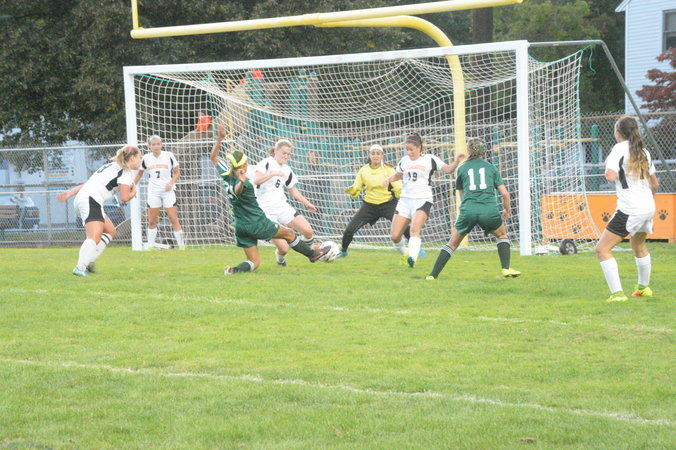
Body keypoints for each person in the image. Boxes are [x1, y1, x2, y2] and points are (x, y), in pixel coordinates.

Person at [210, 124, 329, 274]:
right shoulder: (246, 183)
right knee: (289, 234)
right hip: (257, 222)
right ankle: (313, 254)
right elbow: (238, 190)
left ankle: (233, 270)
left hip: (240, 226)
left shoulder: (226, 175)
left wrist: (220, 139)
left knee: (254, 262)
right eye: (246, 163)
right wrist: (241, 182)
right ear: (244, 165)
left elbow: (214, 157)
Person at [426, 138, 520, 280]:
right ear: (484, 151)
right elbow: (505, 193)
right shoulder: (491, 168)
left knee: (452, 243)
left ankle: (432, 275)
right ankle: (506, 269)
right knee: (502, 235)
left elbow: (461, 192)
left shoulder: (462, 168)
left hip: (468, 210)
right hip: (488, 210)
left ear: (468, 150)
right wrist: (506, 210)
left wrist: (466, 208)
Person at [595, 116, 659, 302]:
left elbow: (610, 176)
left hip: (630, 208)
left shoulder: (619, 149)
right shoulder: (644, 151)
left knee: (602, 249)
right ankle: (643, 288)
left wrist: (609, 167)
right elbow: (655, 184)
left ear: (618, 133)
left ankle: (617, 294)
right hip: (648, 206)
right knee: (638, 246)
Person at [382, 133, 465, 268]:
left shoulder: (430, 159)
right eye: (407, 149)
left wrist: (456, 161)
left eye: (411, 149)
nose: (408, 152)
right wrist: (387, 179)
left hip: (422, 200)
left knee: (414, 229)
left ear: (419, 147)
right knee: (395, 236)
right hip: (405, 201)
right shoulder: (404, 161)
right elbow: (398, 175)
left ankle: (412, 258)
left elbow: (449, 170)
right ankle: (406, 254)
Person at [57, 145, 142, 276]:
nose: (141, 160)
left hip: (85, 198)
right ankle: (80, 268)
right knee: (94, 237)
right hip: (91, 200)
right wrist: (133, 193)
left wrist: (70, 192)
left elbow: (91, 182)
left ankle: (90, 261)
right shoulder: (125, 172)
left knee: (110, 231)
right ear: (132, 158)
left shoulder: (111, 166)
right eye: (139, 157)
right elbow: (125, 198)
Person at [341, 144, 422, 258]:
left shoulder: (388, 170)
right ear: (369, 155)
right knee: (349, 230)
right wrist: (352, 190)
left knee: (403, 226)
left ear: (382, 155)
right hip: (369, 205)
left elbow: (397, 185)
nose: (375, 156)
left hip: (388, 203)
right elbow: (357, 188)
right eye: (373, 153)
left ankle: (416, 247)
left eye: (378, 154)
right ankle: (343, 251)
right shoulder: (363, 170)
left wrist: (402, 193)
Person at [252, 138, 317, 267]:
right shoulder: (266, 163)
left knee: (308, 231)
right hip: (265, 211)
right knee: (283, 248)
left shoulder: (287, 169)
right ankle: (281, 260)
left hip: (282, 206)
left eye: (288, 154)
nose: (286, 156)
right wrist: (271, 174)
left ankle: (310, 252)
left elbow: (292, 190)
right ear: (276, 151)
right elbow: (256, 180)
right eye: (284, 153)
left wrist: (307, 203)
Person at [132, 135, 185, 249]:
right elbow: (140, 173)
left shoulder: (169, 155)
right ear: (149, 146)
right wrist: (133, 185)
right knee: (152, 221)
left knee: (173, 219)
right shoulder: (146, 158)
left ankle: (182, 247)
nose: (156, 146)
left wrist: (171, 183)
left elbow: (177, 172)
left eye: (158, 144)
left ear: (162, 145)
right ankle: (151, 247)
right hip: (153, 192)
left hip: (168, 192)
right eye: (153, 144)